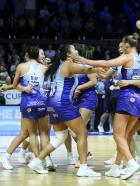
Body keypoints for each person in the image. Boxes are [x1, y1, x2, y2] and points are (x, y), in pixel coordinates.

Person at [76, 33, 140, 179]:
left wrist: (84, 60)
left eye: (122, 44)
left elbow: (106, 63)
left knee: (125, 136)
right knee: (125, 136)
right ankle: (117, 166)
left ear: (127, 45)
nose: (120, 46)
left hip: (137, 100)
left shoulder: (127, 58)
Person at [28, 44, 103, 177]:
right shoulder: (68, 65)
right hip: (62, 103)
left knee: (61, 136)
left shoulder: (56, 67)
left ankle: (37, 161)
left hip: (52, 104)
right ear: (68, 54)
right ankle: (83, 168)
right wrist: (104, 67)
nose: (77, 51)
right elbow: (88, 70)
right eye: (74, 50)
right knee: (82, 133)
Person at [0, 46, 48, 170]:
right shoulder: (42, 67)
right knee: (28, 134)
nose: (43, 56)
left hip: (32, 103)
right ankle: (35, 160)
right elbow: (19, 85)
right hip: (35, 103)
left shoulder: (24, 66)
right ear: (38, 55)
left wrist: (15, 88)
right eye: (41, 54)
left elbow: (17, 85)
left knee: (27, 134)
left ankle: (21, 156)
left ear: (27, 55)